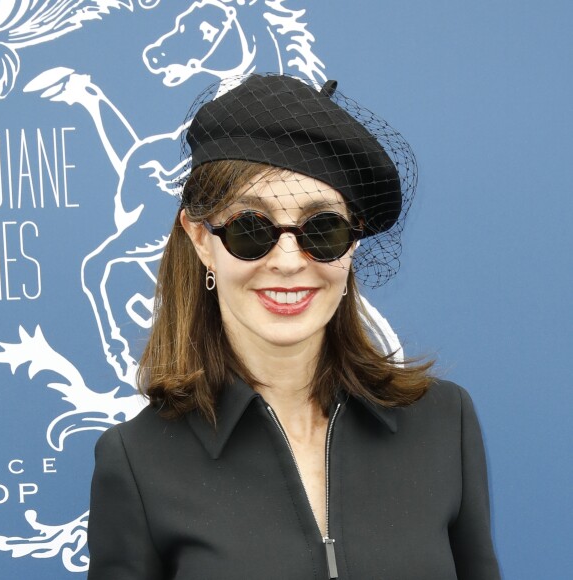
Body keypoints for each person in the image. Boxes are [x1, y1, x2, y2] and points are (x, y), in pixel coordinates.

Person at [87, 74, 501, 579]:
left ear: (353, 243)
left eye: (322, 228)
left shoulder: (443, 423)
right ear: (200, 238)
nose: (288, 261)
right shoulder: (136, 463)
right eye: (250, 228)